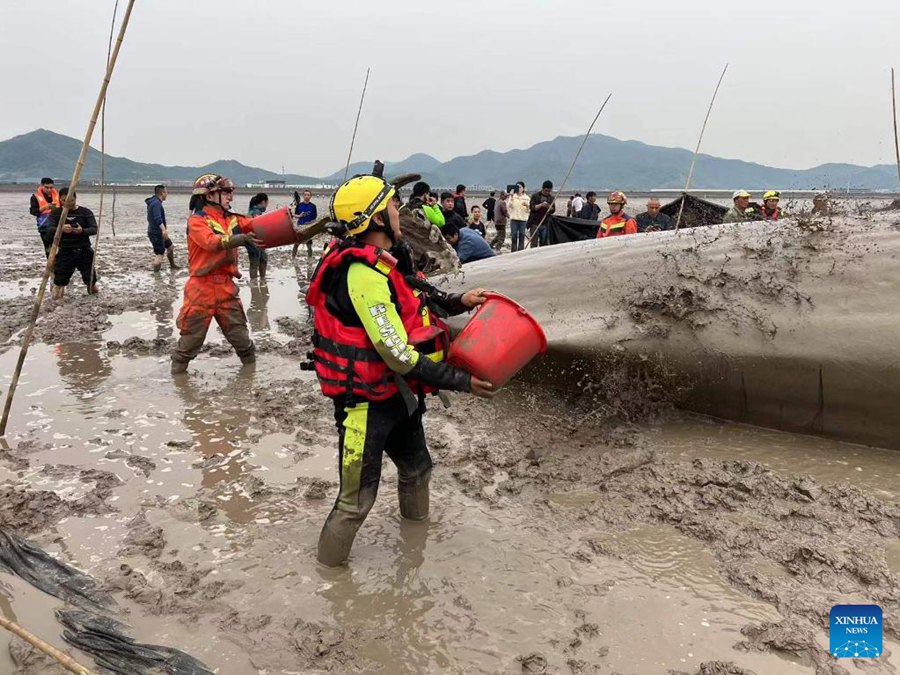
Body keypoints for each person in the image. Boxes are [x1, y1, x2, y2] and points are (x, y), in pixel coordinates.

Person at [305, 173, 495, 566]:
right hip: (364, 407)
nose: (399, 211)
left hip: (398, 397)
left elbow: (415, 292)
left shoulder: (387, 261)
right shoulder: (362, 276)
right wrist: (462, 381)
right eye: (393, 205)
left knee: (417, 468)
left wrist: (460, 300)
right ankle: (330, 579)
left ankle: (415, 543)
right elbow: (398, 354)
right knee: (355, 501)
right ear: (375, 220)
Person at [171, 174, 266, 375]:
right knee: (190, 342)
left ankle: (250, 374)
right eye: (226, 193)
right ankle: (178, 378)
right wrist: (240, 239)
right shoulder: (197, 221)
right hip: (201, 289)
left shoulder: (232, 219)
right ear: (210, 195)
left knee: (242, 339)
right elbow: (210, 242)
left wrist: (287, 219)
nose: (231, 197)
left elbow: (258, 224)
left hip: (226, 287)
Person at [44, 188, 99, 300]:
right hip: (65, 250)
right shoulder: (56, 213)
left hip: (84, 249)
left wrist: (82, 231)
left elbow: (94, 229)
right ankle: (57, 300)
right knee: (60, 279)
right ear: (60, 200)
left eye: (71, 200)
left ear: (75, 198)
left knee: (90, 278)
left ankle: (94, 295)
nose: (68, 203)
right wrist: (61, 229)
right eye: (64, 201)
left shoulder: (85, 212)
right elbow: (49, 229)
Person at [145, 184, 178, 272]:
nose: (167, 194)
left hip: (158, 231)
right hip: (156, 233)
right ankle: (156, 274)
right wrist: (164, 230)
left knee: (170, 247)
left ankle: (172, 265)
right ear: (162, 193)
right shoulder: (156, 204)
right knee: (160, 254)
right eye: (166, 192)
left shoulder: (155, 202)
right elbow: (157, 218)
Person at [242, 193, 270, 280]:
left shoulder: (253, 210)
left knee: (262, 259)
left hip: (254, 240)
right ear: (263, 202)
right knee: (255, 263)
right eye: (267, 202)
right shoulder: (256, 212)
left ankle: (261, 280)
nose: (267, 205)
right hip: (254, 240)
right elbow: (259, 227)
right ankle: (255, 283)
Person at [30, 177, 60, 256]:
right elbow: (33, 211)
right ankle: (50, 266)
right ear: (42, 186)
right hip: (44, 227)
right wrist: (44, 208)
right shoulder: (35, 197)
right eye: (47, 187)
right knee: (48, 248)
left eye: (51, 187)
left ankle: (60, 266)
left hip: (58, 225)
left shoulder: (59, 195)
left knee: (60, 248)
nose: (49, 190)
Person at [527, 180, 556, 247]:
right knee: (534, 243)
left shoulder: (551, 198)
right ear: (542, 189)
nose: (547, 192)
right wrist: (541, 205)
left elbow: (553, 210)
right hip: (535, 223)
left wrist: (548, 206)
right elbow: (532, 207)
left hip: (545, 223)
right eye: (546, 191)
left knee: (544, 243)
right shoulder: (535, 196)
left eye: (549, 191)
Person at [508, 181, 530, 252]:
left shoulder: (527, 198)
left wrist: (527, 206)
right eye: (517, 187)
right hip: (514, 219)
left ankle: (520, 251)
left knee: (522, 235)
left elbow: (529, 210)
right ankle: (513, 251)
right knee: (514, 236)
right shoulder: (513, 196)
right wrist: (511, 196)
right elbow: (509, 206)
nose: (519, 188)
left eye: (520, 187)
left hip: (523, 220)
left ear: (523, 188)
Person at [295, 190, 318, 257]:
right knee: (296, 244)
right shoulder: (299, 205)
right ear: (303, 196)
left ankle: (309, 259)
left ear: (310, 196)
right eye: (305, 195)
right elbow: (295, 215)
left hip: (309, 228)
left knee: (309, 246)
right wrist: (300, 216)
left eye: (308, 195)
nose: (306, 196)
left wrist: (311, 225)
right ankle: (293, 257)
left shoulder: (313, 206)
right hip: (300, 227)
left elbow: (314, 218)